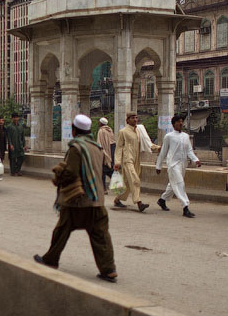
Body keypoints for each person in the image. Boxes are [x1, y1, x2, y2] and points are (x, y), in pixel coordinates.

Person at [34, 114, 118, 283]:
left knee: (61, 230)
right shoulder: (96, 147)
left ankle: (51, 260)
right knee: (101, 235)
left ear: (74, 130)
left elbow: (71, 172)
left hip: (78, 200)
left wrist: (59, 175)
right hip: (97, 199)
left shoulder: (77, 148)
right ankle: (109, 270)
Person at [156, 115, 202, 218]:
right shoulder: (169, 136)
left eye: (181, 121)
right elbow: (163, 152)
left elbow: (189, 150)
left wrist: (196, 160)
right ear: (173, 124)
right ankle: (185, 207)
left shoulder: (186, 136)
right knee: (180, 184)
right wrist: (158, 166)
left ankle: (162, 200)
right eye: (178, 122)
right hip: (172, 165)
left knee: (173, 184)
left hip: (182, 164)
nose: (180, 123)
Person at [113, 112, 149, 212]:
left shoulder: (138, 131)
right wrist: (117, 161)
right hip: (127, 159)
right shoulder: (123, 132)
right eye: (133, 118)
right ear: (127, 120)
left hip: (136, 159)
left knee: (127, 183)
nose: (135, 119)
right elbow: (119, 147)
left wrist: (156, 148)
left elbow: (146, 142)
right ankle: (139, 202)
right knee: (135, 180)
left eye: (136, 117)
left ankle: (117, 199)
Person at [96, 117, 115, 191]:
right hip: (111, 153)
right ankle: (118, 186)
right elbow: (113, 143)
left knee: (103, 172)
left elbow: (100, 144)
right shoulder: (110, 130)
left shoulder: (101, 131)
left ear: (101, 123)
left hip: (104, 154)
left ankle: (104, 189)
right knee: (109, 171)